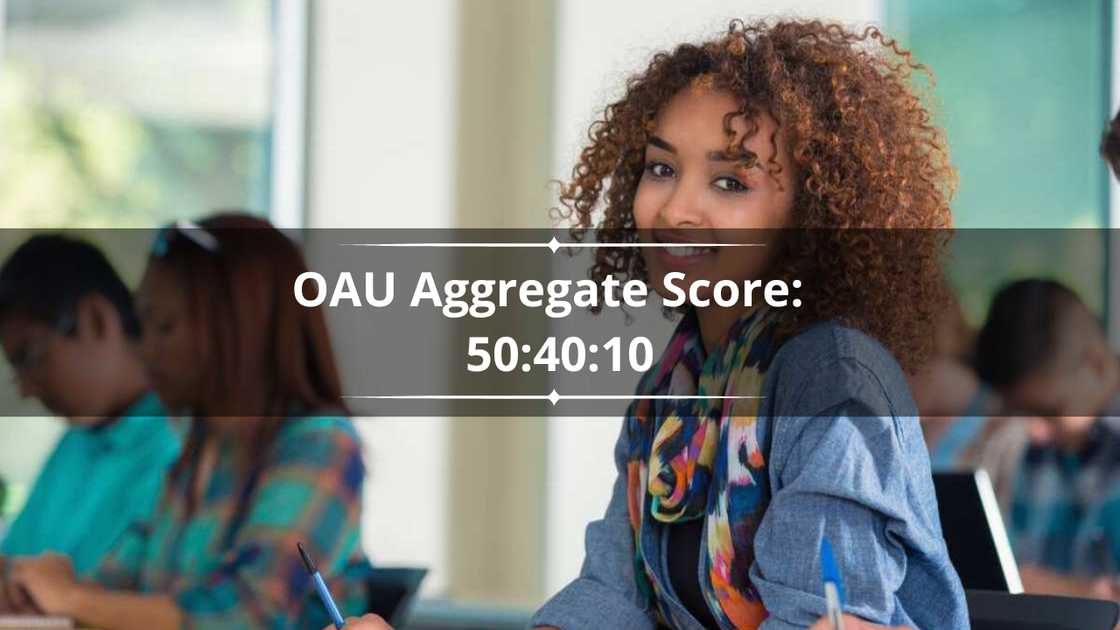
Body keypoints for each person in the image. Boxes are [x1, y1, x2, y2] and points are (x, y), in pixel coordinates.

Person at [533, 18, 967, 630]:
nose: (677, 209)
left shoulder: (830, 378)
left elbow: (822, 621)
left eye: (731, 181)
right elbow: (610, 597)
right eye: (661, 169)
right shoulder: (677, 377)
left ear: (812, 213)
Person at [8, 215, 371, 629]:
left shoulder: (321, 444)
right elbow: (112, 588)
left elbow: (246, 614)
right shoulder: (194, 456)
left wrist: (73, 599)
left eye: (165, 327)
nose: (145, 349)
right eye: (143, 326)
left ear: (237, 327)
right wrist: (41, 592)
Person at [0, 235, 179, 607]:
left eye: (30, 357)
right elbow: (14, 570)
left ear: (95, 319)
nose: (28, 389)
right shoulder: (75, 445)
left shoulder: (185, 445)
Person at [974, 279, 1120, 602]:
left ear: (1096, 365)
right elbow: (999, 576)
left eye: (1049, 411)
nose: (1032, 431)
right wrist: (1086, 594)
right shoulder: (1021, 446)